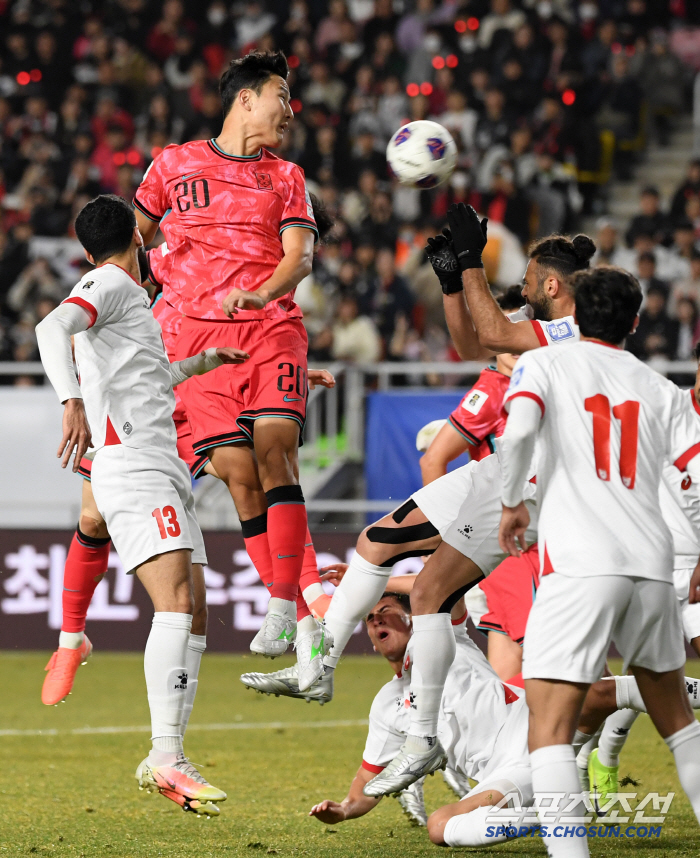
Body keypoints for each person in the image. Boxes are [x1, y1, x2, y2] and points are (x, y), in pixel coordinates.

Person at [41, 192, 337, 710]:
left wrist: (257, 371)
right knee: (95, 519)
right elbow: (66, 320)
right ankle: (70, 640)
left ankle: (304, 624)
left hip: (173, 393)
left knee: (245, 480)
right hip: (125, 413)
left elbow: (205, 345)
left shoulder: (218, 275)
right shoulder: (150, 263)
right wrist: (73, 399)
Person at [35, 194, 249, 816]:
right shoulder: (109, 282)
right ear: (136, 232)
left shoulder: (127, 299)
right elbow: (52, 327)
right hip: (135, 465)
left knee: (198, 611)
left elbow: (148, 377)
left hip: (163, 466)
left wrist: (207, 361)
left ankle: (171, 750)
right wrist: (69, 402)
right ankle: (164, 756)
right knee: (176, 605)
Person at [133, 50, 329, 691]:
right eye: (282, 95)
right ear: (246, 98)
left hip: (270, 326)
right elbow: (129, 253)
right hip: (195, 339)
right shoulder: (172, 165)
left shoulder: (288, 177)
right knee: (239, 475)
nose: (290, 109)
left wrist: (261, 294)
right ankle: (303, 627)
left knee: (276, 452)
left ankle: (279, 609)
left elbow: (299, 258)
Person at [498, 266, 700, 856]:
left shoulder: (546, 363)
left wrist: (513, 504)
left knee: (550, 730)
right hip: (653, 565)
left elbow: (515, 437)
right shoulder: (662, 389)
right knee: (681, 730)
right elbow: (693, 479)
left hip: (582, 564)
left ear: (574, 317)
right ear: (635, 322)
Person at [418, 285, 523, 486]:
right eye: (505, 330)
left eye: (521, 331)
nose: (513, 341)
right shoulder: (491, 391)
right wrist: (442, 518)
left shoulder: (546, 383)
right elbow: (432, 462)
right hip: (503, 514)